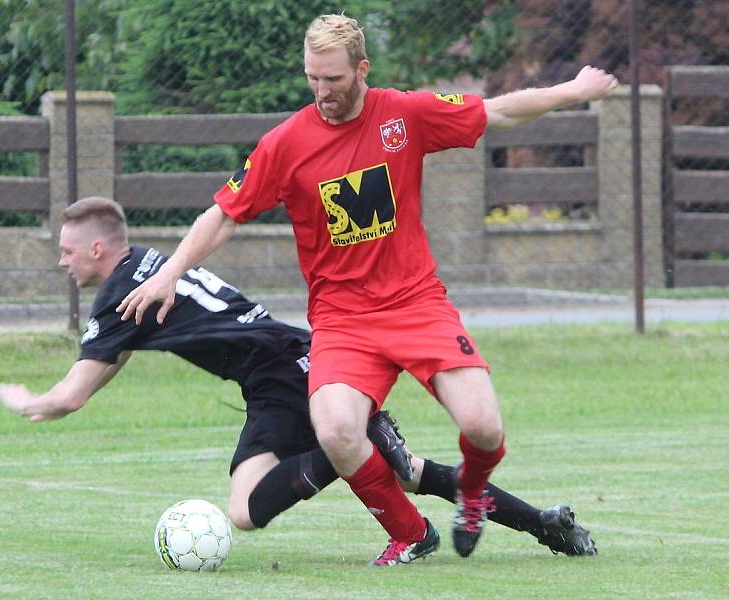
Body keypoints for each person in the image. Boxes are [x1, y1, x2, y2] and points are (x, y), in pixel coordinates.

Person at [116, 14, 616, 566]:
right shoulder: (286, 144)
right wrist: (170, 273)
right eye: (312, 78)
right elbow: (223, 215)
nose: (321, 92)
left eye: (332, 79)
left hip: (416, 304)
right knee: (335, 430)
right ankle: (409, 532)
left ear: (362, 69)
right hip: (342, 321)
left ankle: (472, 494)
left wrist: (574, 90)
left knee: (483, 426)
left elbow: (497, 111)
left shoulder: (404, 113)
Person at [0, 196, 596, 560]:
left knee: (325, 486)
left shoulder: (118, 295)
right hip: (276, 371)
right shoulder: (150, 265)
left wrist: (30, 402)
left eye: (67, 251)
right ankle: (542, 523)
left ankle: (348, 450)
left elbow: (72, 398)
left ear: (98, 249)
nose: (62, 261)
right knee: (285, 501)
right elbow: (119, 357)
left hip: (282, 371)